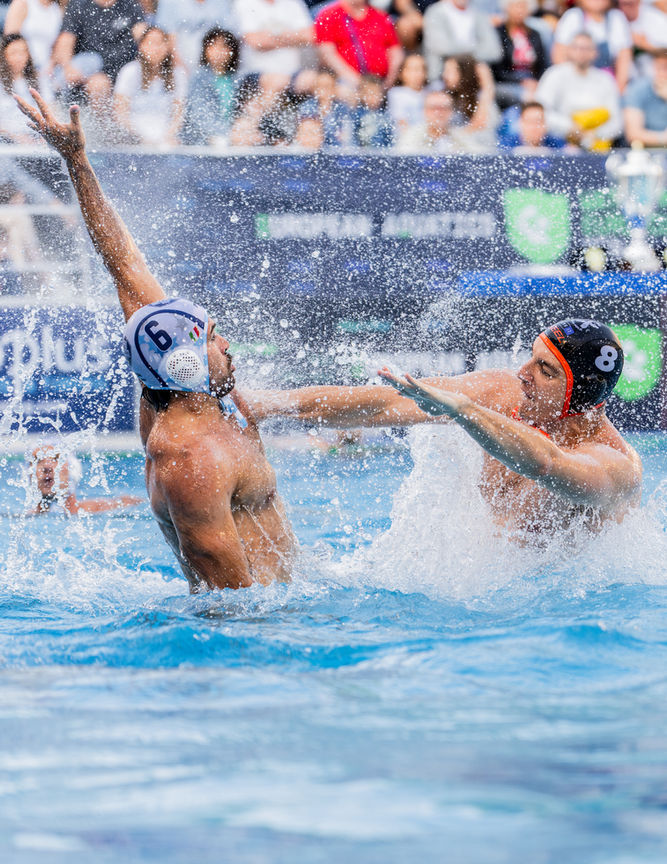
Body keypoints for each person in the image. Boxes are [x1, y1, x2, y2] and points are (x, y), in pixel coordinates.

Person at [15, 88, 297, 590]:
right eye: (213, 337)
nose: (227, 344)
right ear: (187, 362)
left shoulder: (194, 394)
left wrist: (77, 161)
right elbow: (233, 608)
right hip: (264, 624)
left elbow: (122, 262)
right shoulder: (189, 462)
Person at [252, 320, 642, 538]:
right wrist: (265, 404)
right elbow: (387, 403)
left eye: (545, 370)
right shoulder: (504, 393)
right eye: (532, 358)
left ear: (580, 397)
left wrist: (464, 410)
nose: (523, 373)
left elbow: (545, 463)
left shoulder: (615, 464)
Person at [536, 31, 623, 150]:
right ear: (568, 50)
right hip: (558, 142)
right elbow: (539, 112)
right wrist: (569, 127)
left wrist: (594, 135)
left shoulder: (605, 80)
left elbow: (616, 122)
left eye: (586, 48)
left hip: (597, 145)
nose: (581, 52)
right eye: (576, 47)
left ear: (595, 53)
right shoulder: (554, 75)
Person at [113, 26, 187, 147]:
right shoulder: (129, 71)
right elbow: (120, 112)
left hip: (166, 137)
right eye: (151, 42)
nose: (155, 48)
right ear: (141, 46)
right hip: (134, 137)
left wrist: (167, 136)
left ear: (167, 47)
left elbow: (178, 114)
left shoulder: (177, 74)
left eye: (160, 43)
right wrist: (138, 138)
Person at [28, 443, 143, 515]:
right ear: (30, 475)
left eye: (56, 459)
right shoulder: (24, 518)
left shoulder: (106, 508)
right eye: (39, 461)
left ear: (72, 471)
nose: (47, 467)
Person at [314, 0, 405, 89]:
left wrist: (388, 82)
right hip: (345, 82)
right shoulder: (329, 15)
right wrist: (357, 82)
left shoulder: (381, 16)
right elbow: (328, 54)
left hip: (381, 83)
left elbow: (395, 51)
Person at [552, 0, 632, 92]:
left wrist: (618, 89)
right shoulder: (572, 16)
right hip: (575, 81)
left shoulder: (616, 18)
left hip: (607, 85)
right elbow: (559, 56)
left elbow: (624, 59)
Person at [181, 27, 240, 146]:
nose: (219, 51)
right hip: (202, 143)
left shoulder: (236, 78)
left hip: (232, 140)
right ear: (205, 49)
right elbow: (200, 116)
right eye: (213, 45)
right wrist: (230, 135)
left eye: (224, 46)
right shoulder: (199, 78)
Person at [422, 0, 501, 82]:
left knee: (483, 69)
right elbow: (442, 48)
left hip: (473, 72)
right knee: (452, 67)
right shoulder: (436, 12)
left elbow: (494, 51)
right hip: (441, 74)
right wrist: (474, 50)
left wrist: (468, 56)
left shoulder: (479, 13)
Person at [491, 0, 548, 109]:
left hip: (532, 80)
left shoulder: (535, 34)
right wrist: (521, 81)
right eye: (516, 7)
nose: (519, 11)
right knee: (526, 97)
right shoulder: (499, 33)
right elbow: (497, 69)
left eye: (523, 7)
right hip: (508, 81)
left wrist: (537, 81)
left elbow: (542, 64)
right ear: (507, 9)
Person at [3, 0, 64, 74]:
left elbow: (58, 45)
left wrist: (51, 65)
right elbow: (10, 39)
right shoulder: (22, 3)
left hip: (46, 69)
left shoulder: (57, 10)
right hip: (22, 67)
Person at [623, 48, 667, 146]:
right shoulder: (638, 89)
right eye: (661, 68)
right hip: (646, 150)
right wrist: (662, 138)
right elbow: (633, 134)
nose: (664, 73)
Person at [497, 99, 566, 149]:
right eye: (530, 122)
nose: (534, 127)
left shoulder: (556, 145)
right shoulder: (506, 146)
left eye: (538, 122)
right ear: (521, 123)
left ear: (545, 124)